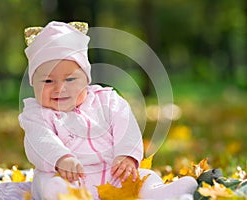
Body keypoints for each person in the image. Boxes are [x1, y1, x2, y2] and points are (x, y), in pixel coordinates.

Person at [19, 21, 198, 200]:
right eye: (48, 82)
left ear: (86, 78)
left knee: (142, 177)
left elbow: (125, 125)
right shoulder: (36, 114)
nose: (59, 88)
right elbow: (40, 140)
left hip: (111, 172)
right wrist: (61, 159)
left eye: (70, 79)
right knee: (51, 185)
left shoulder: (106, 100)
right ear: (33, 83)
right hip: (68, 177)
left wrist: (126, 155)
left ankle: (161, 194)